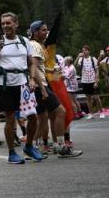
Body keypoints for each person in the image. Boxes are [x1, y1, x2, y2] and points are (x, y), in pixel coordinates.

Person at [0, 12, 44, 164]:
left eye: (8, 23)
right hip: (4, 85)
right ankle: (12, 152)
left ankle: (29, 146)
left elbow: (32, 63)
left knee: (32, 117)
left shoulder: (24, 41)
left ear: (16, 24)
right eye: (3, 23)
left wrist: (32, 79)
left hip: (23, 84)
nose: (5, 26)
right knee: (10, 118)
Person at [28, 21, 81, 158]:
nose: (46, 33)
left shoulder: (38, 45)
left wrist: (52, 70)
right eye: (44, 30)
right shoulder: (34, 45)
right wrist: (42, 88)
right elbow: (33, 67)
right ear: (35, 32)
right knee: (60, 112)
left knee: (41, 118)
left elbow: (40, 67)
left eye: (46, 30)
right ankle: (61, 147)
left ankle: (31, 147)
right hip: (41, 86)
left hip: (40, 84)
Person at [75, 45, 103, 119]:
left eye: (85, 50)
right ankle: (91, 113)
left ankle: (101, 112)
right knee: (88, 98)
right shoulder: (81, 59)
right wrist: (78, 57)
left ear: (89, 51)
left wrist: (96, 82)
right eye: (83, 50)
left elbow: (97, 71)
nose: (84, 52)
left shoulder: (93, 59)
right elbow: (75, 66)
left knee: (96, 97)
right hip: (85, 81)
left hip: (93, 80)